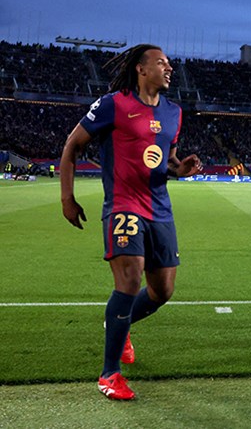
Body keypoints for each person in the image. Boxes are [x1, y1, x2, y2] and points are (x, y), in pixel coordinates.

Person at [59, 44, 202, 400]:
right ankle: (109, 374)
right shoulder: (113, 104)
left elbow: (165, 160)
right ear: (141, 69)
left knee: (162, 291)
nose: (169, 69)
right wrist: (67, 198)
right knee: (129, 278)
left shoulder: (173, 113)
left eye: (169, 64)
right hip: (124, 205)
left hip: (160, 209)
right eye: (161, 63)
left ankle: (118, 326)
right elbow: (72, 146)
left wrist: (179, 169)